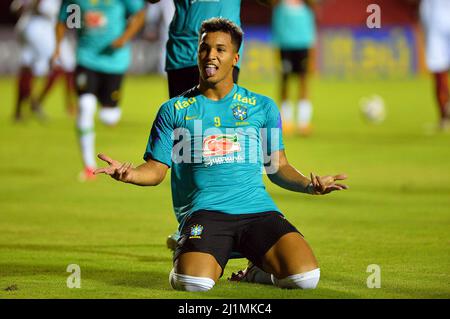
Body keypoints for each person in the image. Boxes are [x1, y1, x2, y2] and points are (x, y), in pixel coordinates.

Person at [95, 18, 348, 291]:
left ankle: (256, 272)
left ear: (235, 58)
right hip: (205, 213)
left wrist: (310, 185)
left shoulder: (262, 107)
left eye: (220, 49)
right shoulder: (174, 110)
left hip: (257, 211)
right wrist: (129, 174)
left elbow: (278, 167)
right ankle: (187, 247)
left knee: (306, 279)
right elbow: (156, 170)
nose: (210, 56)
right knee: (194, 283)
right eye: (204, 48)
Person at [54, 0, 147, 181]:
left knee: (108, 116)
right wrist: (57, 48)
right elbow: (61, 20)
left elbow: (140, 14)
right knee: (85, 106)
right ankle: (89, 166)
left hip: (114, 61)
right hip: (86, 59)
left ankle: (106, 105)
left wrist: (124, 38)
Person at [11, 0, 62, 121]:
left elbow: (15, 8)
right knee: (58, 66)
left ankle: (18, 111)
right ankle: (36, 102)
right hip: (41, 29)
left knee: (26, 67)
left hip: (26, 27)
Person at [271, 0, 316, 136]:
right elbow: (276, 30)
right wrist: (277, 53)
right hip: (286, 48)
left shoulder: (306, 8)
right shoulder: (280, 8)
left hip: (303, 48)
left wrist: (313, 56)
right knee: (285, 83)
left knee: (303, 82)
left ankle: (304, 122)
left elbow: (311, 33)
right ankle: (286, 121)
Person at [419, 0, 450, 130]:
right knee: (438, 70)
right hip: (434, 19)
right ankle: (445, 116)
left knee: (438, 71)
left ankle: (445, 117)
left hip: (436, 21)